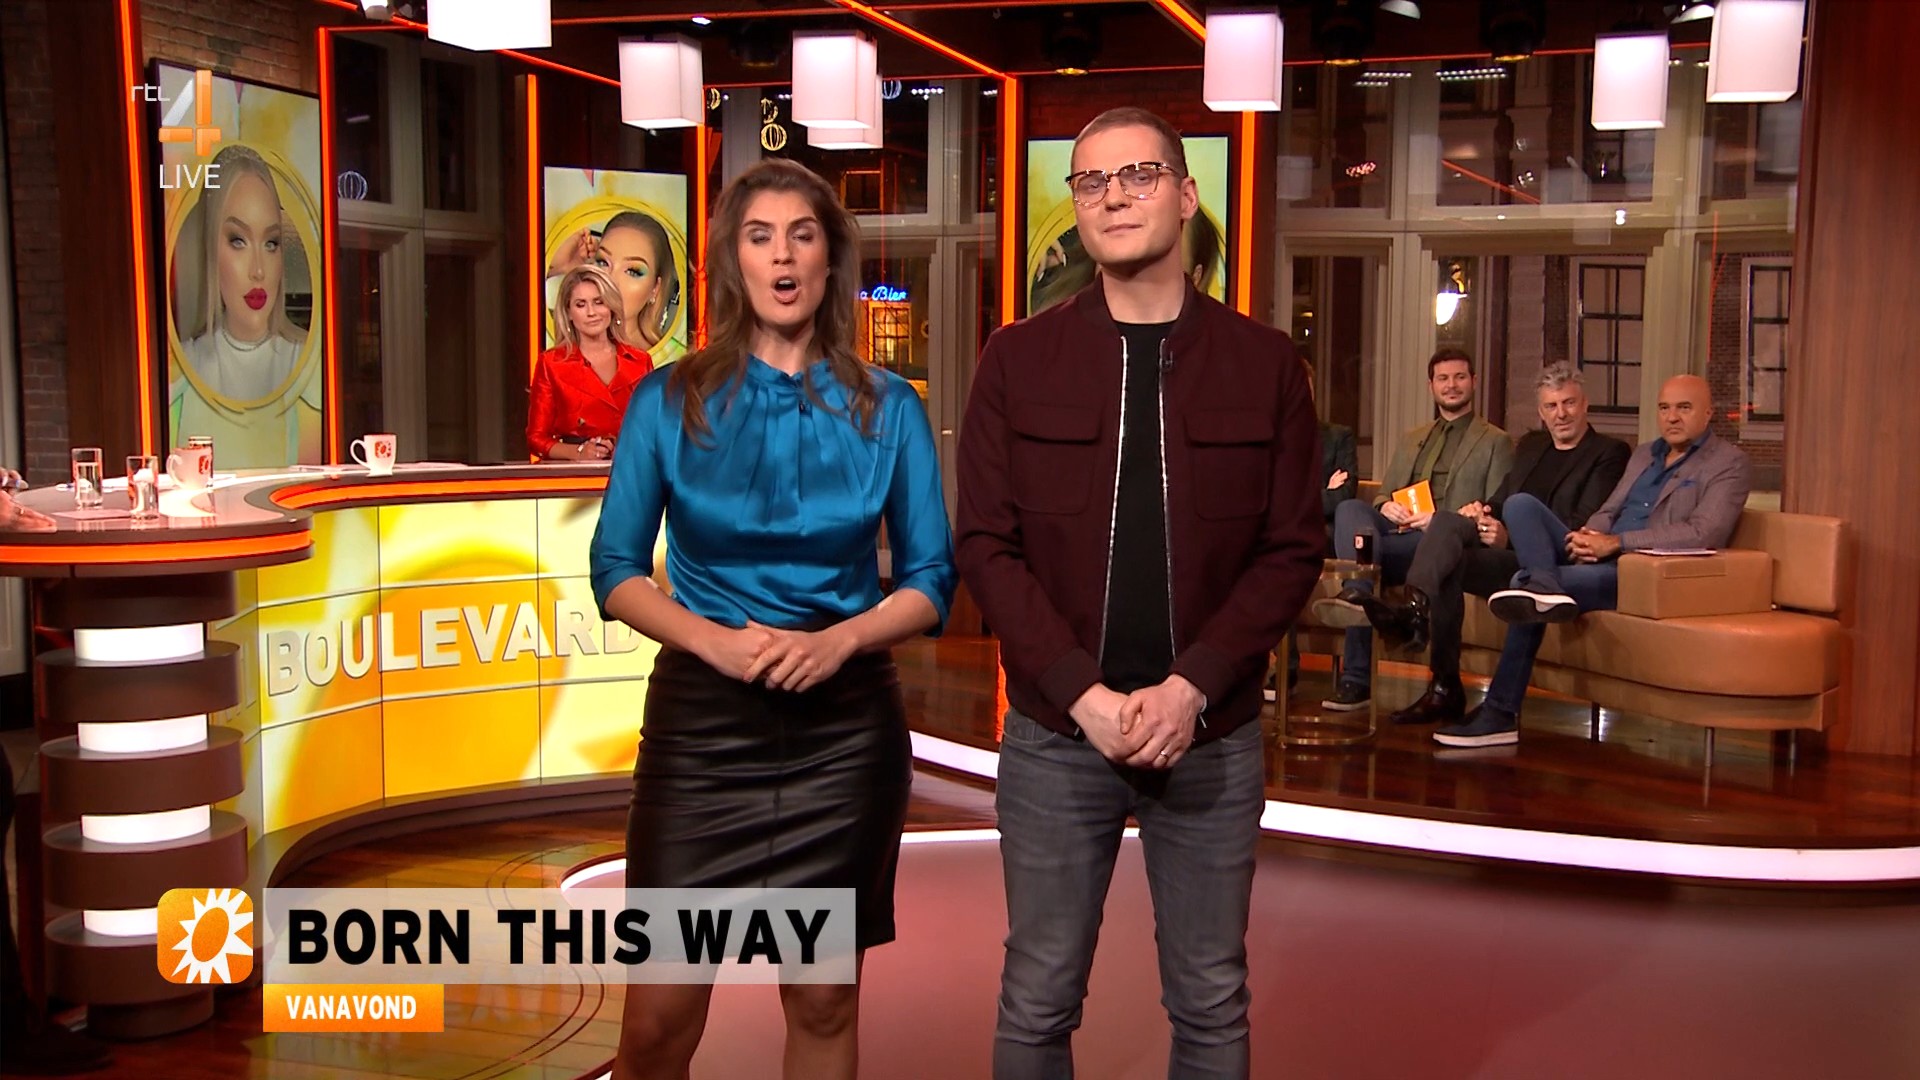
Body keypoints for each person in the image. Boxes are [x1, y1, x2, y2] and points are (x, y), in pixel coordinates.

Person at [956, 107, 1323, 1079]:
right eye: (1091, 181)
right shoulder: (1016, 360)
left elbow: (1292, 549)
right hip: (1055, 735)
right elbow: (986, 545)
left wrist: (1191, 687)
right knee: (1037, 997)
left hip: (1211, 736)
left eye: (1139, 175)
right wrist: (1080, 692)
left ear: (1188, 196)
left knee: (1210, 998)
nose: (1113, 196)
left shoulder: (1265, 365)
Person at [589, 158, 955, 1080]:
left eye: (802, 235)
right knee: (658, 1022)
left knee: (823, 999)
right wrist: (714, 642)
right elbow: (615, 571)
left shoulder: (891, 409)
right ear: (734, 260)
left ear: (830, 259)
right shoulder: (666, 399)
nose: (783, 257)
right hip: (702, 733)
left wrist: (841, 640)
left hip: (844, 734)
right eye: (760, 237)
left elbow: (931, 581)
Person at [1436, 374, 1751, 747]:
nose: (1672, 417)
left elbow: (1703, 533)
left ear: (1709, 412)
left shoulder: (1728, 463)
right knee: (1521, 505)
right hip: (1598, 553)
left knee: (1523, 587)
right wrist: (1588, 535)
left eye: (1684, 408)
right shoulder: (1644, 454)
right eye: (1665, 408)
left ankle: (1500, 713)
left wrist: (1615, 543)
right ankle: (1544, 583)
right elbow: (1609, 509)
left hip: (1638, 570)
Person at [1344, 363, 1630, 726]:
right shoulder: (1532, 445)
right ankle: (1440, 676)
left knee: (1465, 541)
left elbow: (1579, 525)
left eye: (1569, 403)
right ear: (1541, 411)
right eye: (1552, 406)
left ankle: (1416, 625)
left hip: (1546, 560)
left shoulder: (1609, 452)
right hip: (1504, 548)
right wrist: (1483, 511)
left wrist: (1507, 536)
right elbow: (1501, 497)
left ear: (1585, 404)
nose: (1561, 414)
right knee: (1448, 527)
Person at [1313, 349, 1512, 713]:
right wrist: (1384, 506)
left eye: (1459, 377)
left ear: (1474, 382)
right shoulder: (1412, 438)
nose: (1451, 386)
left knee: (1366, 559)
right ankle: (1357, 594)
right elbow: (1385, 494)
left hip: (1440, 544)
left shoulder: (1495, 441)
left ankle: (1356, 677)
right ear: (1430, 386)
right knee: (1350, 509)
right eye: (1443, 379)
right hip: (1395, 536)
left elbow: (1494, 508)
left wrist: (1440, 520)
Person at [173, 143, 321, 467]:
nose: (258, 270)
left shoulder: (310, 366)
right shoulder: (182, 369)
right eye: (238, 240)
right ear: (211, 248)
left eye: (271, 243)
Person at [1268, 357, 1357, 702]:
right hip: (1280, 534)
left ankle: (1290, 669)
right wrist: (1322, 493)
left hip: (1324, 535)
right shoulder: (1268, 439)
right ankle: (1279, 668)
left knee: (1283, 558)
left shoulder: (1338, 437)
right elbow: (1265, 498)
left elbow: (1344, 497)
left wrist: (1297, 499)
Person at [527, 265, 653, 462]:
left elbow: (653, 429)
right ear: (568, 313)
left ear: (611, 307)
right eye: (580, 305)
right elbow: (536, 438)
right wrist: (579, 453)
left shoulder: (640, 361)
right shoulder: (551, 364)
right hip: (577, 473)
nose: (591, 312)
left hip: (630, 467)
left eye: (599, 302)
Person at [549, 211, 682, 350]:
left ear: (655, 288)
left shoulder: (668, 360)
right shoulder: (557, 339)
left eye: (632, 271)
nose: (610, 280)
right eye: (603, 262)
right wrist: (557, 266)